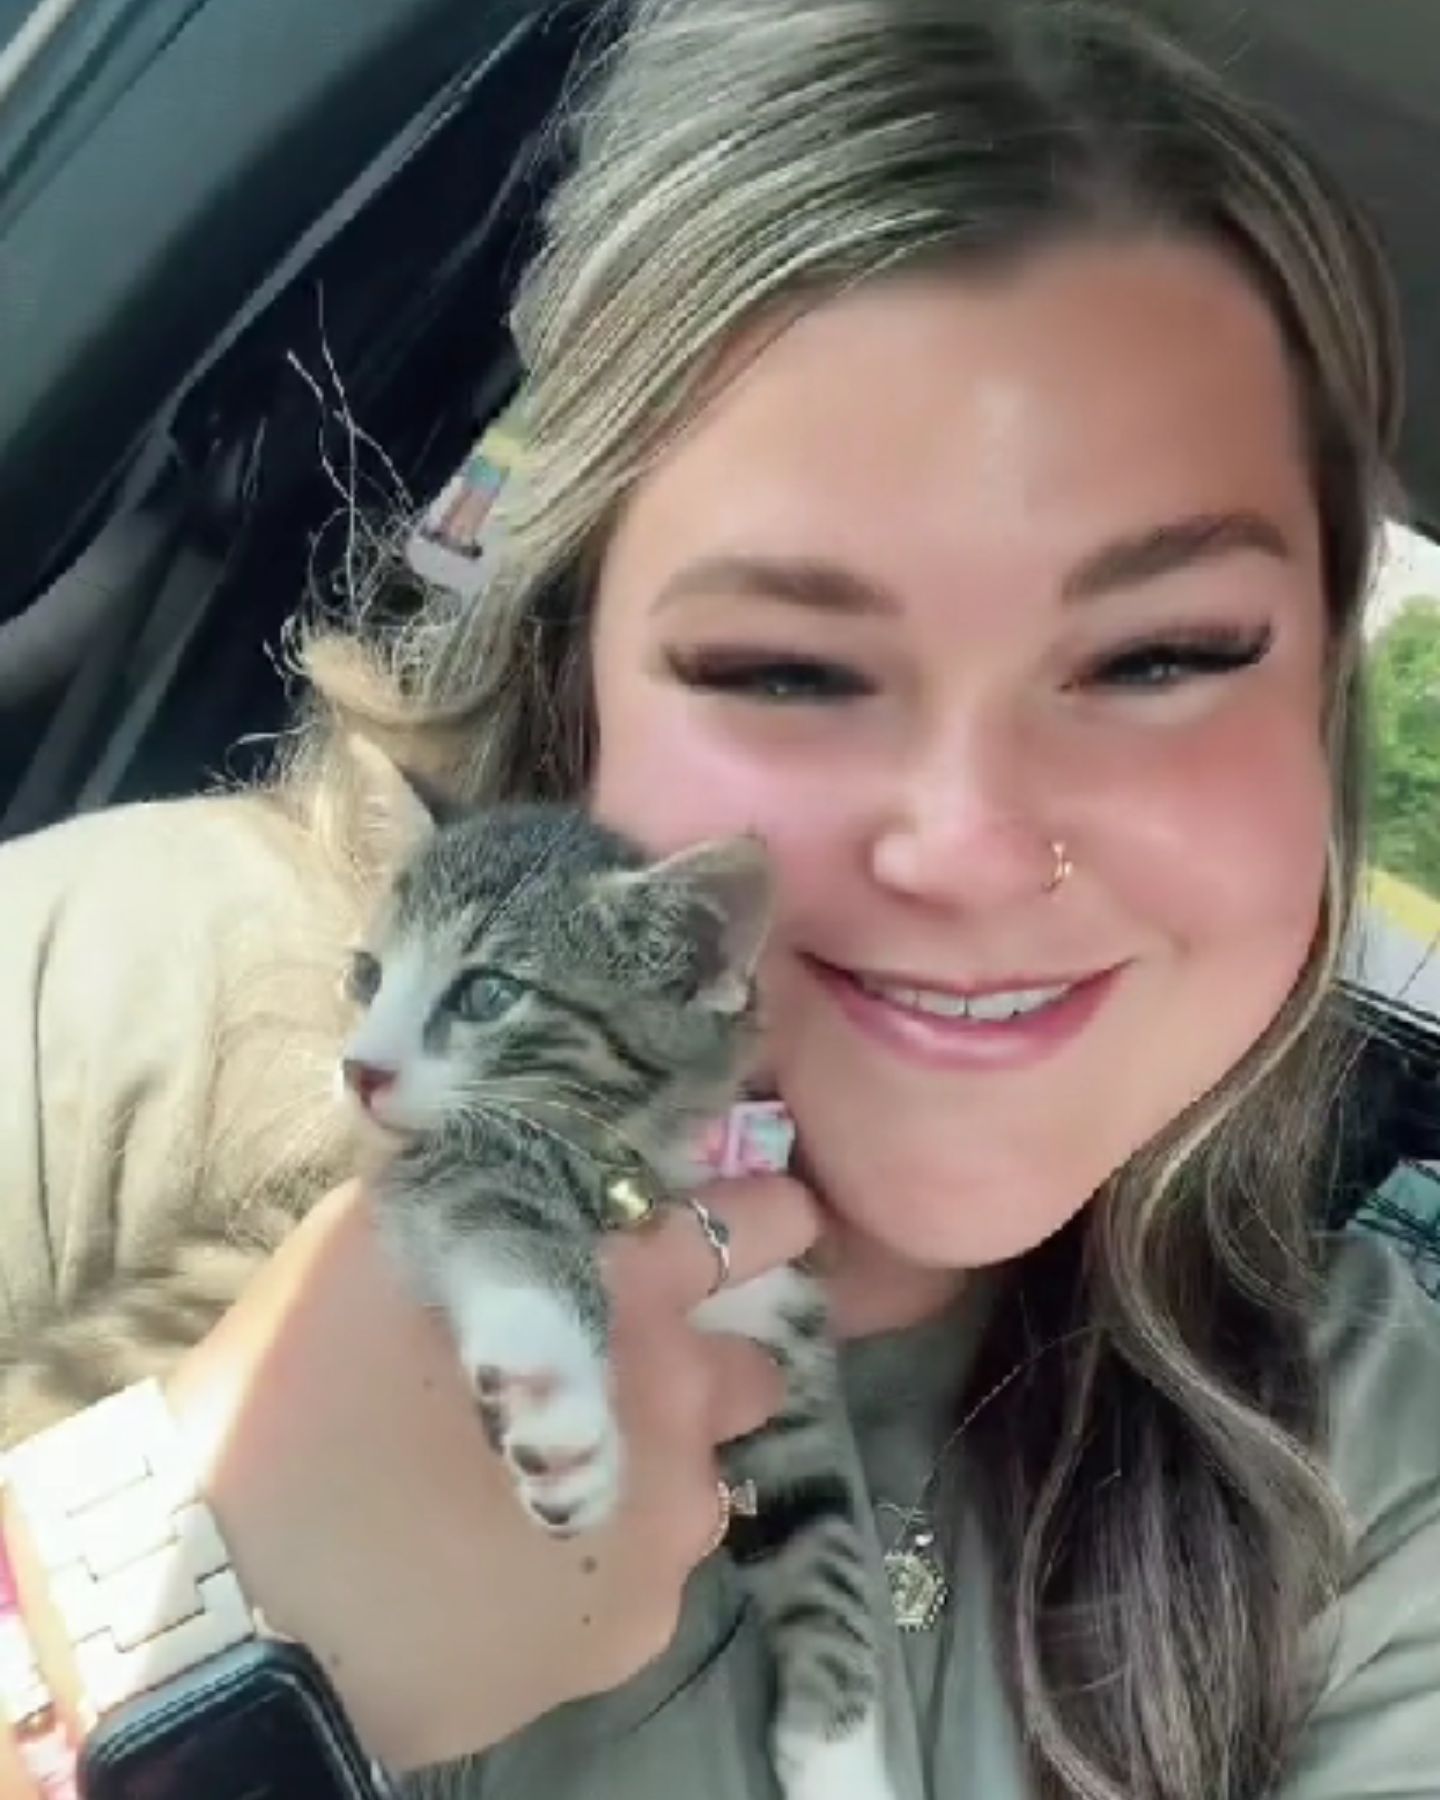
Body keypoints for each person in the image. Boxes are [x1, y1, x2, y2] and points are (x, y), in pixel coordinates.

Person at [1, 0, 1439, 1796]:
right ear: (578, 660)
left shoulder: (1376, 1482)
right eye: (783, 664)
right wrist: (153, 1634)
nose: (973, 844)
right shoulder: (127, 999)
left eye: (1161, 654)